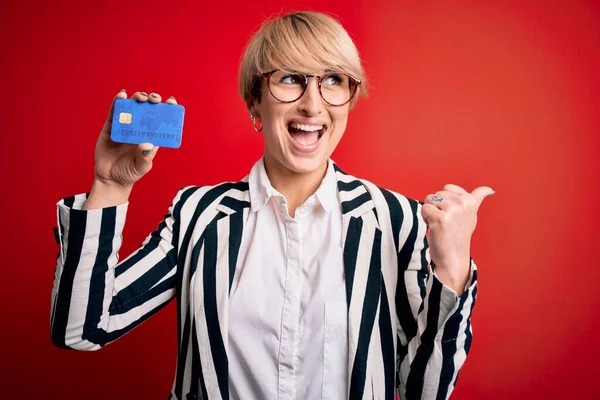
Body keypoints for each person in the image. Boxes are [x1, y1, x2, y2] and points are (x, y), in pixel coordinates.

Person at [50, 10, 492, 400]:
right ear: (254, 102)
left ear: (350, 99)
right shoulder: (198, 215)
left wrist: (452, 271)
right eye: (289, 78)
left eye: (333, 80)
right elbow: (82, 329)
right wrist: (108, 186)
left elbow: (425, 391)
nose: (312, 103)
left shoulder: (396, 221)